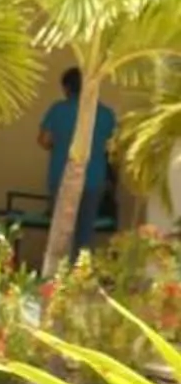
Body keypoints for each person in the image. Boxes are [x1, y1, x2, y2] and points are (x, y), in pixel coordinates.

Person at [37, 67, 116, 259]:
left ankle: (58, 278)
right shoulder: (106, 114)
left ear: (66, 88)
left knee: (62, 232)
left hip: (61, 178)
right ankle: (80, 278)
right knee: (85, 232)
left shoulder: (58, 110)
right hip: (94, 179)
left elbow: (44, 140)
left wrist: (60, 142)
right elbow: (113, 147)